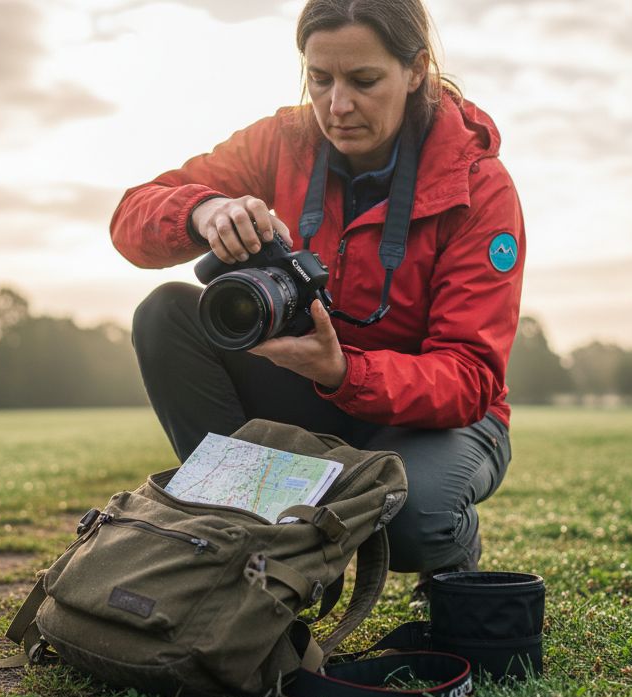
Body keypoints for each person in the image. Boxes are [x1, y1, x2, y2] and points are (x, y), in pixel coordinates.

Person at [111, 0, 525, 587]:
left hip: (437, 422)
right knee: (166, 314)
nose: (338, 105)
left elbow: (469, 378)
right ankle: (246, 543)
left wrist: (344, 372)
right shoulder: (286, 139)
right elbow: (132, 217)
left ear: (416, 70)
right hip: (311, 387)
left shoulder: (478, 185)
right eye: (319, 78)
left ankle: (452, 547)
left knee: (409, 520)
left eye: (364, 80)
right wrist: (204, 210)